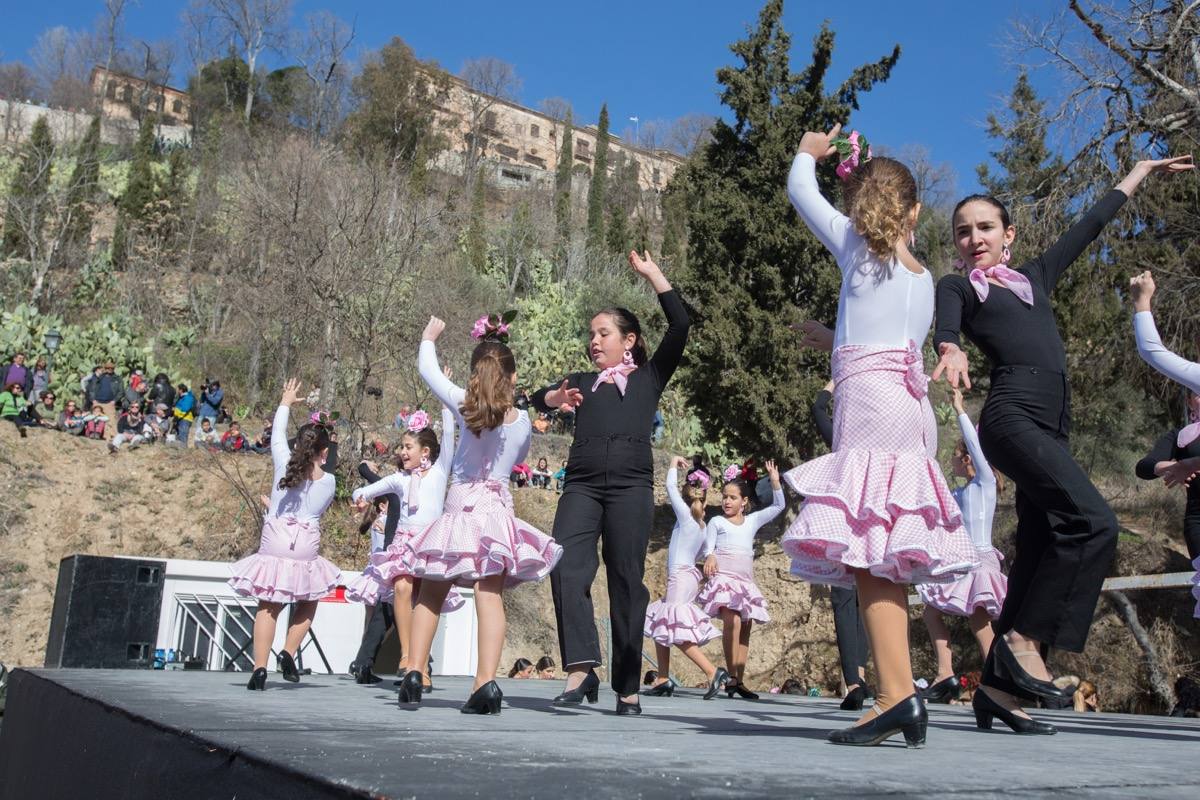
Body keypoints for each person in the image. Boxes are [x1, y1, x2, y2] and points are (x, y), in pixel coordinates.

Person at [933, 154, 1192, 736]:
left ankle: (996, 692)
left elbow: (1090, 222)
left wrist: (1141, 173)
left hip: (1054, 425)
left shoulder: (1036, 278)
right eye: (963, 231)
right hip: (1011, 415)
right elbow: (944, 323)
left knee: (1040, 542)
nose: (975, 239)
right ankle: (1023, 642)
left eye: (986, 228)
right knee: (1095, 522)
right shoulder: (960, 286)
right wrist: (949, 348)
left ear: (1009, 236)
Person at [782, 125, 976, 748]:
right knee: (885, 554)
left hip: (869, 404)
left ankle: (895, 694)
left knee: (866, 550)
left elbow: (798, 188)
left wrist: (809, 153)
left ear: (860, 207)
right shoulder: (924, 278)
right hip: (909, 406)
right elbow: (881, 334)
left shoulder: (858, 251)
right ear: (917, 211)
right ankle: (899, 693)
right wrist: (832, 336)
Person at [532, 250, 689, 716]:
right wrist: (553, 397)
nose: (594, 342)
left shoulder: (649, 377)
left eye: (604, 334)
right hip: (580, 486)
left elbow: (680, 326)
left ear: (630, 340)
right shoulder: (582, 380)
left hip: (629, 489)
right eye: (592, 335)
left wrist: (653, 274)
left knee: (626, 580)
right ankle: (581, 667)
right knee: (565, 564)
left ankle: (627, 684)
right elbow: (535, 398)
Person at [393, 315, 561, 714]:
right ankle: (485, 682)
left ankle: (415, 671)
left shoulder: (463, 405)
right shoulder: (521, 424)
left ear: (473, 375)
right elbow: (516, 459)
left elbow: (427, 371)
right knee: (490, 596)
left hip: (459, 504)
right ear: (514, 377)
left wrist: (428, 337)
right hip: (495, 510)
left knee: (433, 590)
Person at [228, 378, 341, 691]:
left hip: (275, 537)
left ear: (297, 445)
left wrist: (286, 401)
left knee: (269, 604)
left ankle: (260, 668)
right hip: (304, 543)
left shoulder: (282, 462)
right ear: (323, 451)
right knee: (310, 598)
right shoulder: (329, 482)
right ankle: (289, 651)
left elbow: (276, 434)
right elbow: (318, 492)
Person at [350, 402, 462, 687]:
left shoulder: (439, 472)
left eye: (408, 446)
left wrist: (445, 401)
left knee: (425, 603)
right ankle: (406, 654)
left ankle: (421, 665)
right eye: (401, 446)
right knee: (400, 587)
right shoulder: (400, 480)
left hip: (430, 544)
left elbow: (449, 435)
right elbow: (369, 488)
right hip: (404, 543)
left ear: (425, 451)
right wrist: (359, 495)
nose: (402, 451)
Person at [916, 388, 1008, 704]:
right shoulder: (962, 492)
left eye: (956, 457)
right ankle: (945, 674)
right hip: (963, 561)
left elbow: (975, 446)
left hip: (980, 560)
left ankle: (999, 682)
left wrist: (959, 409)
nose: (952, 462)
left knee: (979, 621)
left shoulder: (983, 483)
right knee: (932, 611)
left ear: (967, 457)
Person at [806, 374, 871, 711]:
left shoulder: (841, 444)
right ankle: (863, 674)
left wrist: (834, 382)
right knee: (867, 603)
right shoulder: (878, 449)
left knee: (845, 603)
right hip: (873, 531)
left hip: (844, 531)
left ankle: (854, 682)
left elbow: (817, 407)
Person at [697, 460, 784, 700]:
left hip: (745, 582)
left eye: (733, 497)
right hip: (725, 580)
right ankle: (731, 675)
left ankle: (739, 680)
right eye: (725, 496)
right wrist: (711, 555)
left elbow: (779, 505)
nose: (726, 501)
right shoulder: (717, 522)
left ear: (744, 502)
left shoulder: (752, 521)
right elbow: (708, 546)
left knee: (745, 627)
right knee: (732, 622)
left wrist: (775, 481)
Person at [642, 457, 727, 700]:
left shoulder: (687, 518)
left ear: (685, 495)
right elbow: (701, 554)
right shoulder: (702, 526)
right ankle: (662, 677)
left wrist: (671, 465)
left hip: (680, 576)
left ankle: (712, 671)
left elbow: (669, 489)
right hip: (688, 577)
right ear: (705, 498)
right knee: (663, 623)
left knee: (675, 631)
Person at [90, 362, 123, 438]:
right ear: (105, 368)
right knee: (95, 418)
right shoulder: (99, 378)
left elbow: (121, 391)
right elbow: (92, 389)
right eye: (108, 368)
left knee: (111, 420)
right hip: (97, 401)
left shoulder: (117, 379)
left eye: (112, 368)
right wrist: (93, 400)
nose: (110, 369)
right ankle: (95, 434)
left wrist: (114, 400)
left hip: (109, 403)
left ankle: (112, 436)